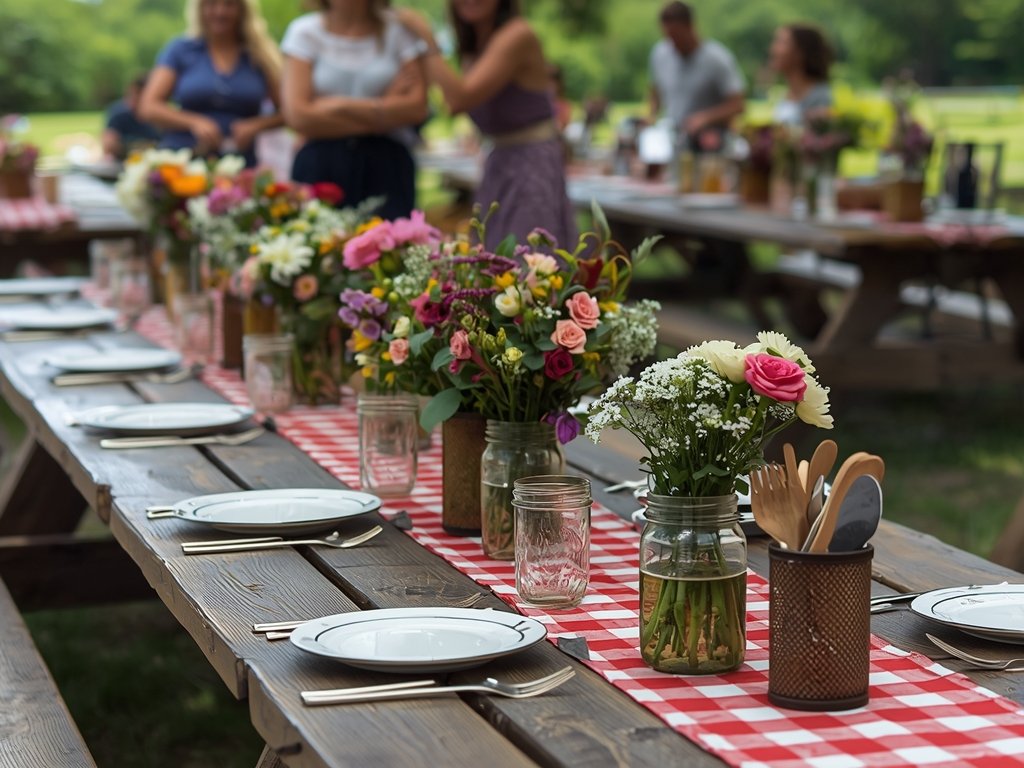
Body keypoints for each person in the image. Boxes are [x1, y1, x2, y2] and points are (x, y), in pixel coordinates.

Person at [398, 0, 576, 251]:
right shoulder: (477, 45)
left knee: (529, 263)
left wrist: (426, 38)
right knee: (493, 260)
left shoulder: (517, 35)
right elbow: (451, 100)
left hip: (530, 168)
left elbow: (460, 98)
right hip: (499, 165)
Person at [280, 0, 428, 219]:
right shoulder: (303, 33)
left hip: (387, 168)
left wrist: (337, 106)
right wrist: (385, 107)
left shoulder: (398, 31)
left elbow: (417, 109)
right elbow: (298, 117)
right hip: (320, 166)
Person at [139, 0, 283, 166]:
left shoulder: (259, 55)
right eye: (211, 4)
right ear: (200, 9)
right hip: (183, 162)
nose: (220, 12)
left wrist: (255, 126)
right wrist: (194, 122)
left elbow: (288, 111)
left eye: (229, 5)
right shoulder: (181, 50)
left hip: (239, 164)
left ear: (243, 10)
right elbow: (149, 107)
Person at [649, 1, 745, 149]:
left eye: (676, 36)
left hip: (710, 146)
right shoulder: (660, 54)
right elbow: (656, 91)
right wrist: (651, 118)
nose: (672, 43)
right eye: (668, 36)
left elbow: (738, 105)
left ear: (690, 26)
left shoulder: (717, 59)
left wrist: (705, 118)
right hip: (674, 142)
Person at [768, 23, 833, 125]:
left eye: (782, 43)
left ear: (800, 52)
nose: (773, 49)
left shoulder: (820, 99)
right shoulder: (787, 94)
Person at [102, 75, 161, 161]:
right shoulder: (119, 113)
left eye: (137, 96)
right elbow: (108, 145)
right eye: (130, 95)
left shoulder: (158, 118)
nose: (132, 100)